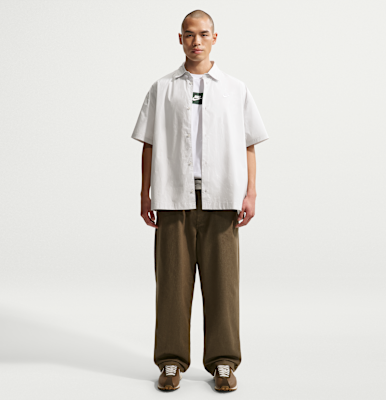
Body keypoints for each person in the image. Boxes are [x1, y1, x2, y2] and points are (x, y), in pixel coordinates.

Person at [131, 9, 269, 392]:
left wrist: (251, 192)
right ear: (180, 39)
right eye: (189, 34)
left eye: (204, 34)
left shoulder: (234, 89)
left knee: (223, 286)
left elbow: (249, 144)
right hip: (173, 198)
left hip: (222, 199)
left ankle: (223, 362)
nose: (196, 41)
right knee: (171, 286)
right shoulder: (162, 88)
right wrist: (144, 193)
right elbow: (148, 144)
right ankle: (171, 361)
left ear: (214, 38)